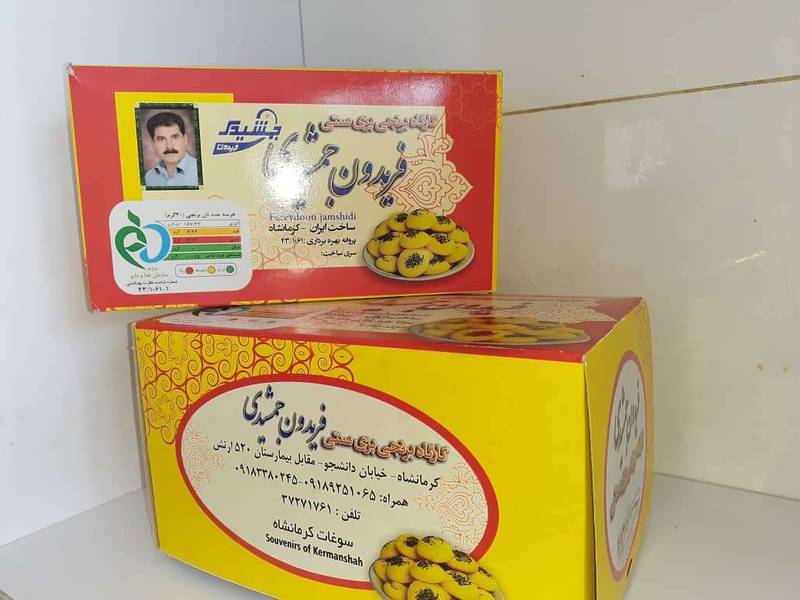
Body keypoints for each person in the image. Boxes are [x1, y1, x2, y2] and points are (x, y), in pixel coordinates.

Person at [143, 112, 198, 187]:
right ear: (153, 143)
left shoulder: (201, 171)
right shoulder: (149, 177)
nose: (169, 146)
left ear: (185, 140)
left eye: (175, 137)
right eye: (161, 139)